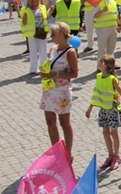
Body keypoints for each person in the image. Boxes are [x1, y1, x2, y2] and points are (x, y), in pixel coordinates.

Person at [85, 54, 121, 170]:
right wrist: (90, 107)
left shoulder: (112, 79)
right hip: (103, 109)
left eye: (99, 62)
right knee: (105, 132)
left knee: (114, 133)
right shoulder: (99, 77)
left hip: (112, 109)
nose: (98, 64)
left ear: (104, 65)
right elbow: (96, 93)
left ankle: (116, 155)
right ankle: (110, 155)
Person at [39, 23, 79, 160]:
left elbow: (74, 74)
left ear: (61, 34)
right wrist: (45, 72)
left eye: (53, 34)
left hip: (62, 92)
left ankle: (68, 153)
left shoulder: (71, 52)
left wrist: (55, 75)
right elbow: (51, 65)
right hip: (50, 90)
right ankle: (56, 151)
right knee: (50, 121)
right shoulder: (53, 48)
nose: (51, 37)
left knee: (64, 123)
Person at [22, 0, 48, 74]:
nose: (37, 0)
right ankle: (33, 69)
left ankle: (44, 68)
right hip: (32, 32)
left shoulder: (42, 7)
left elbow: (45, 18)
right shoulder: (25, 9)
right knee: (33, 51)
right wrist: (25, 18)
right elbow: (23, 23)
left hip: (42, 30)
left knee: (43, 51)